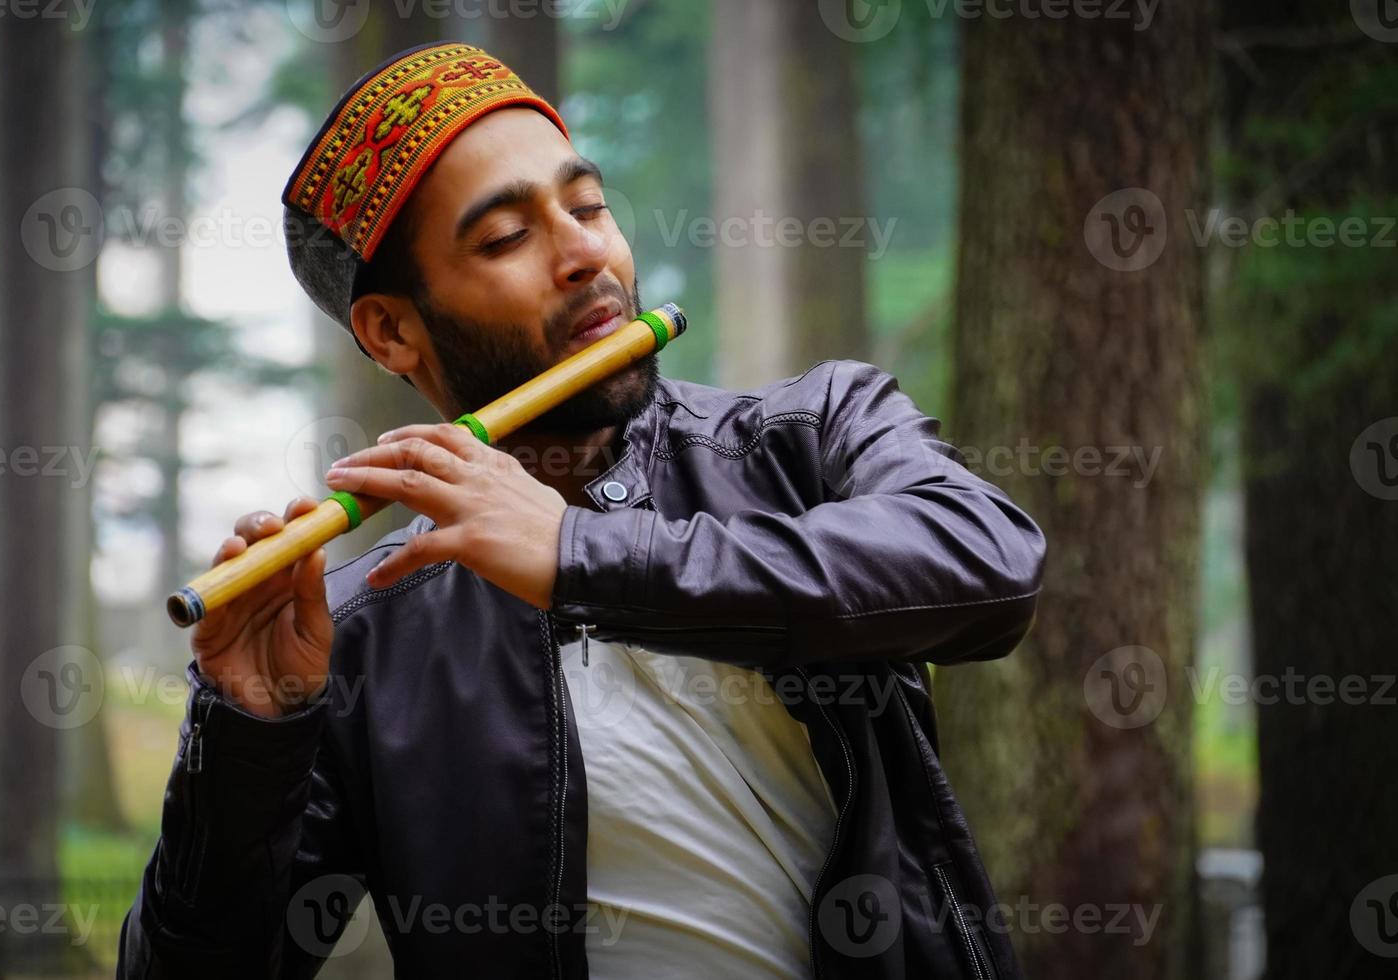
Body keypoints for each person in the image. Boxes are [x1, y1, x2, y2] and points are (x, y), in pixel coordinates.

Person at [117, 41, 1045, 980]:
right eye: (506, 238)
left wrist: (579, 553)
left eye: (589, 205)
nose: (584, 253)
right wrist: (250, 737)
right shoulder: (361, 633)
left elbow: (990, 565)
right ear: (393, 330)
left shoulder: (810, 435)